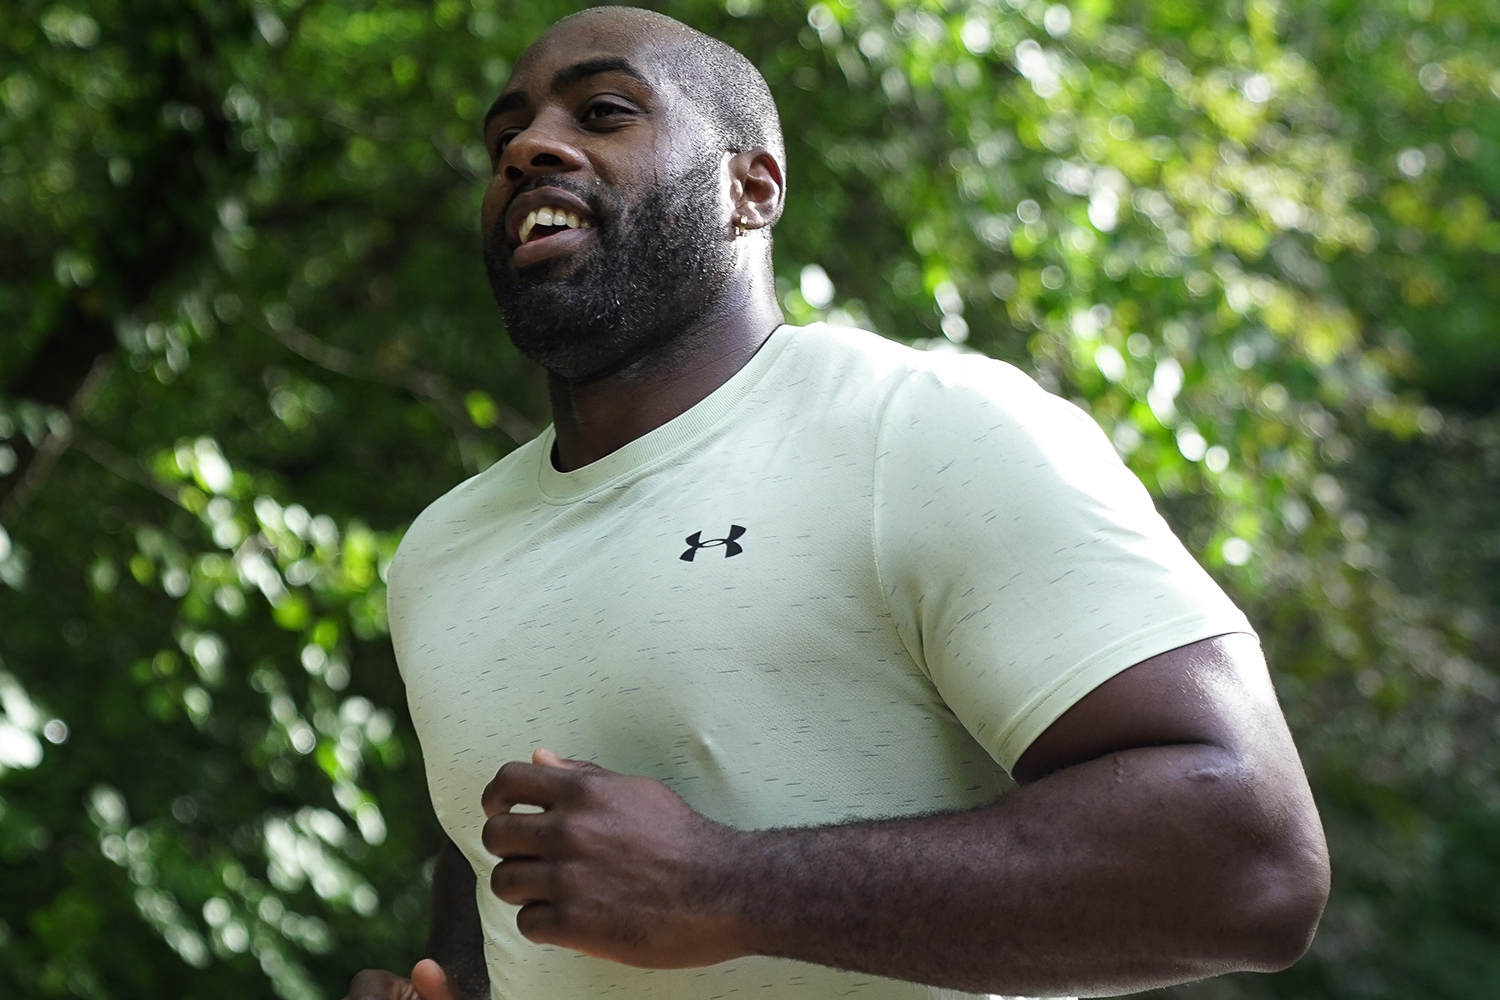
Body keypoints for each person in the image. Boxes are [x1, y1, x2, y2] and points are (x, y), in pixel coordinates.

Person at [347, 7, 1330, 1000]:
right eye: (502, 138)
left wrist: (728, 886)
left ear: (751, 187)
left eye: (602, 112)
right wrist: (455, 983)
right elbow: (498, 883)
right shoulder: (443, 553)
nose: (527, 149)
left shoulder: (924, 430)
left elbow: (1253, 862)